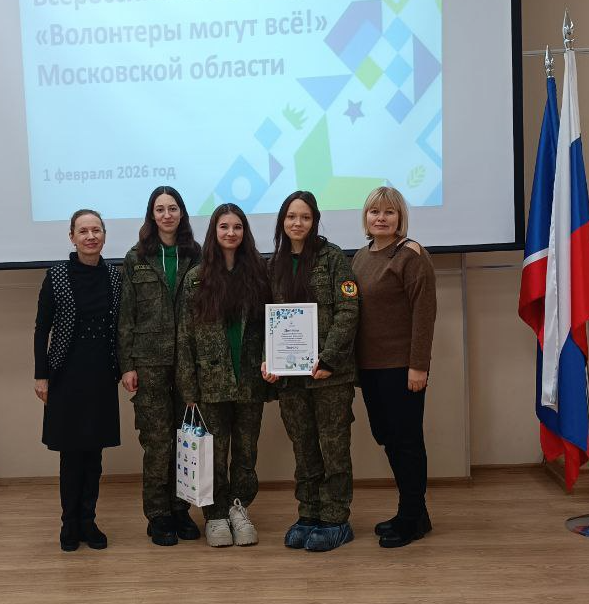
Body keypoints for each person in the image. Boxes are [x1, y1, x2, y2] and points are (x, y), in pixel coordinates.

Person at [261, 191, 359, 552]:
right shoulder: (274, 265)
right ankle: (309, 513)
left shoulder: (333, 258)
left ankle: (336, 519)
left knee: (333, 448)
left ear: (314, 220)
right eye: (291, 217)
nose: (297, 223)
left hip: (329, 376)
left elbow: (349, 310)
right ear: (282, 221)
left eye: (304, 217)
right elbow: (266, 320)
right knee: (303, 449)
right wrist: (268, 360)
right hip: (290, 379)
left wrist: (329, 359)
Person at [176, 203, 272, 547]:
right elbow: (185, 337)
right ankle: (215, 515)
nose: (231, 233)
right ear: (214, 232)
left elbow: (270, 327)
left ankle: (237, 508)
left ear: (244, 232)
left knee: (245, 455)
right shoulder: (196, 278)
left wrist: (271, 361)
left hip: (249, 383)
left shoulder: (259, 275)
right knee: (213, 456)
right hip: (210, 385)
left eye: (237, 227)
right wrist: (189, 388)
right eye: (224, 227)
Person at [352, 186, 437, 548]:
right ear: (366, 217)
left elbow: (424, 314)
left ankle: (410, 518)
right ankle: (416, 513)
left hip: (402, 368)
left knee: (407, 442)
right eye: (375, 212)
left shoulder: (411, 255)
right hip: (370, 367)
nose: (381, 218)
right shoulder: (360, 256)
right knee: (387, 438)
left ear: (400, 217)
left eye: (389, 212)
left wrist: (419, 365)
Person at [34, 209, 122, 552]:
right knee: (71, 455)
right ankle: (69, 523)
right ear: (72, 237)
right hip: (65, 375)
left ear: (104, 236)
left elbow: (121, 326)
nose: (90, 236)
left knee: (94, 455)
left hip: (101, 375)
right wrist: (41, 375)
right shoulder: (56, 275)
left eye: (96, 230)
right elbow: (42, 328)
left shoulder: (114, 276)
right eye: (83, 231)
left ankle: (89, 520)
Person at [118, 186, 202, 546]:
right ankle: (158, 514)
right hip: (149, 363)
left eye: (173, 208)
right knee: (157, 442)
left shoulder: (197, 254)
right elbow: (126, 316)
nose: (167, 215)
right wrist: (127, 365)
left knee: (185, 440)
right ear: (151, 215)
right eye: (160, 209)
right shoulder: (136, 257)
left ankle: (181, 510)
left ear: (181, 213)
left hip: (188, 363)